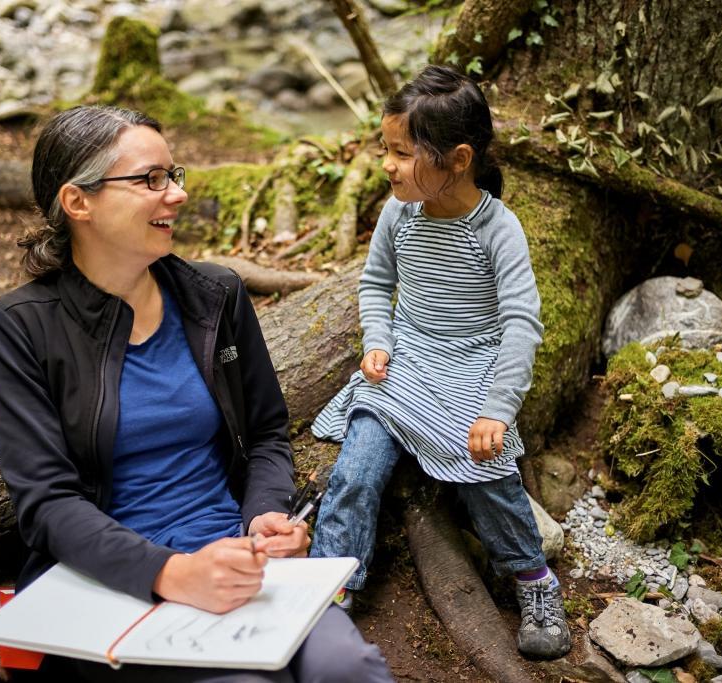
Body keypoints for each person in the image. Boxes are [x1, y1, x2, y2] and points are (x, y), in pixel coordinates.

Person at [0, 105, 394, 682]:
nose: (175, 195)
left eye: (175, 175)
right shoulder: (20, 326)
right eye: (151, 179)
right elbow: (47, 505)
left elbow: (267, 433)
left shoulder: (213, 295)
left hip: (238, 561)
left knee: (348, 667)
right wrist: (171, 573)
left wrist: (266, 517)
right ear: (79, 203)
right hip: (113, 583)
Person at [309, 65, 571, 660]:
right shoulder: (397, 215)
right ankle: (329, 590)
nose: (386, 165)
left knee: (487, 473)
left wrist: (497, 410)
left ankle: (532, 579)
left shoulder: (498, 230)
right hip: (406, 366)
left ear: (456, 158)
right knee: (356, 470)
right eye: (386, 149)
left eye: (401, 152)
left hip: (472, 370)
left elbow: (520, 324)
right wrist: (379, 340)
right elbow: (376, 284)